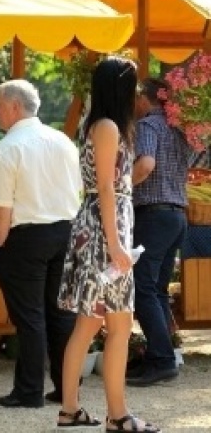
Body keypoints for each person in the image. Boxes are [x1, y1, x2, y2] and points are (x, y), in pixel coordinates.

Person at [57, 57, 160, 432]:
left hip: (99, 227)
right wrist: (117, 245)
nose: (136, 93)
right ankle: (118, 416)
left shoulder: (98, 124)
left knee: (89, 325)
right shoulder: (108, 127)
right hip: (105, 232)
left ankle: (71, 410)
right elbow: (105, 187)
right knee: (118, 326)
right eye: (132, 85)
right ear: (121, 87)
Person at [0, 79, 83, 409]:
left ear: (14, 106)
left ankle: (28, 391)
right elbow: (76, 190)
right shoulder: (63, 141)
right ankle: (68, 388)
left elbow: (1, 209)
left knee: (30, 317)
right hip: (64, 231)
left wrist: (0, 245)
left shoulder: (9, 147)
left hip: (26, 236)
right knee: (60, 315)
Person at [127, 77, 191, 387]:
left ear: (144, 98)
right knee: (159, 290)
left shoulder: (149, 125)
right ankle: (159, 355)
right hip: (177, 215)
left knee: (143, 288)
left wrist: (120, 186)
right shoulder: (178, 129)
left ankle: (162, 359)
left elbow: (146, 164)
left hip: (153, 215)